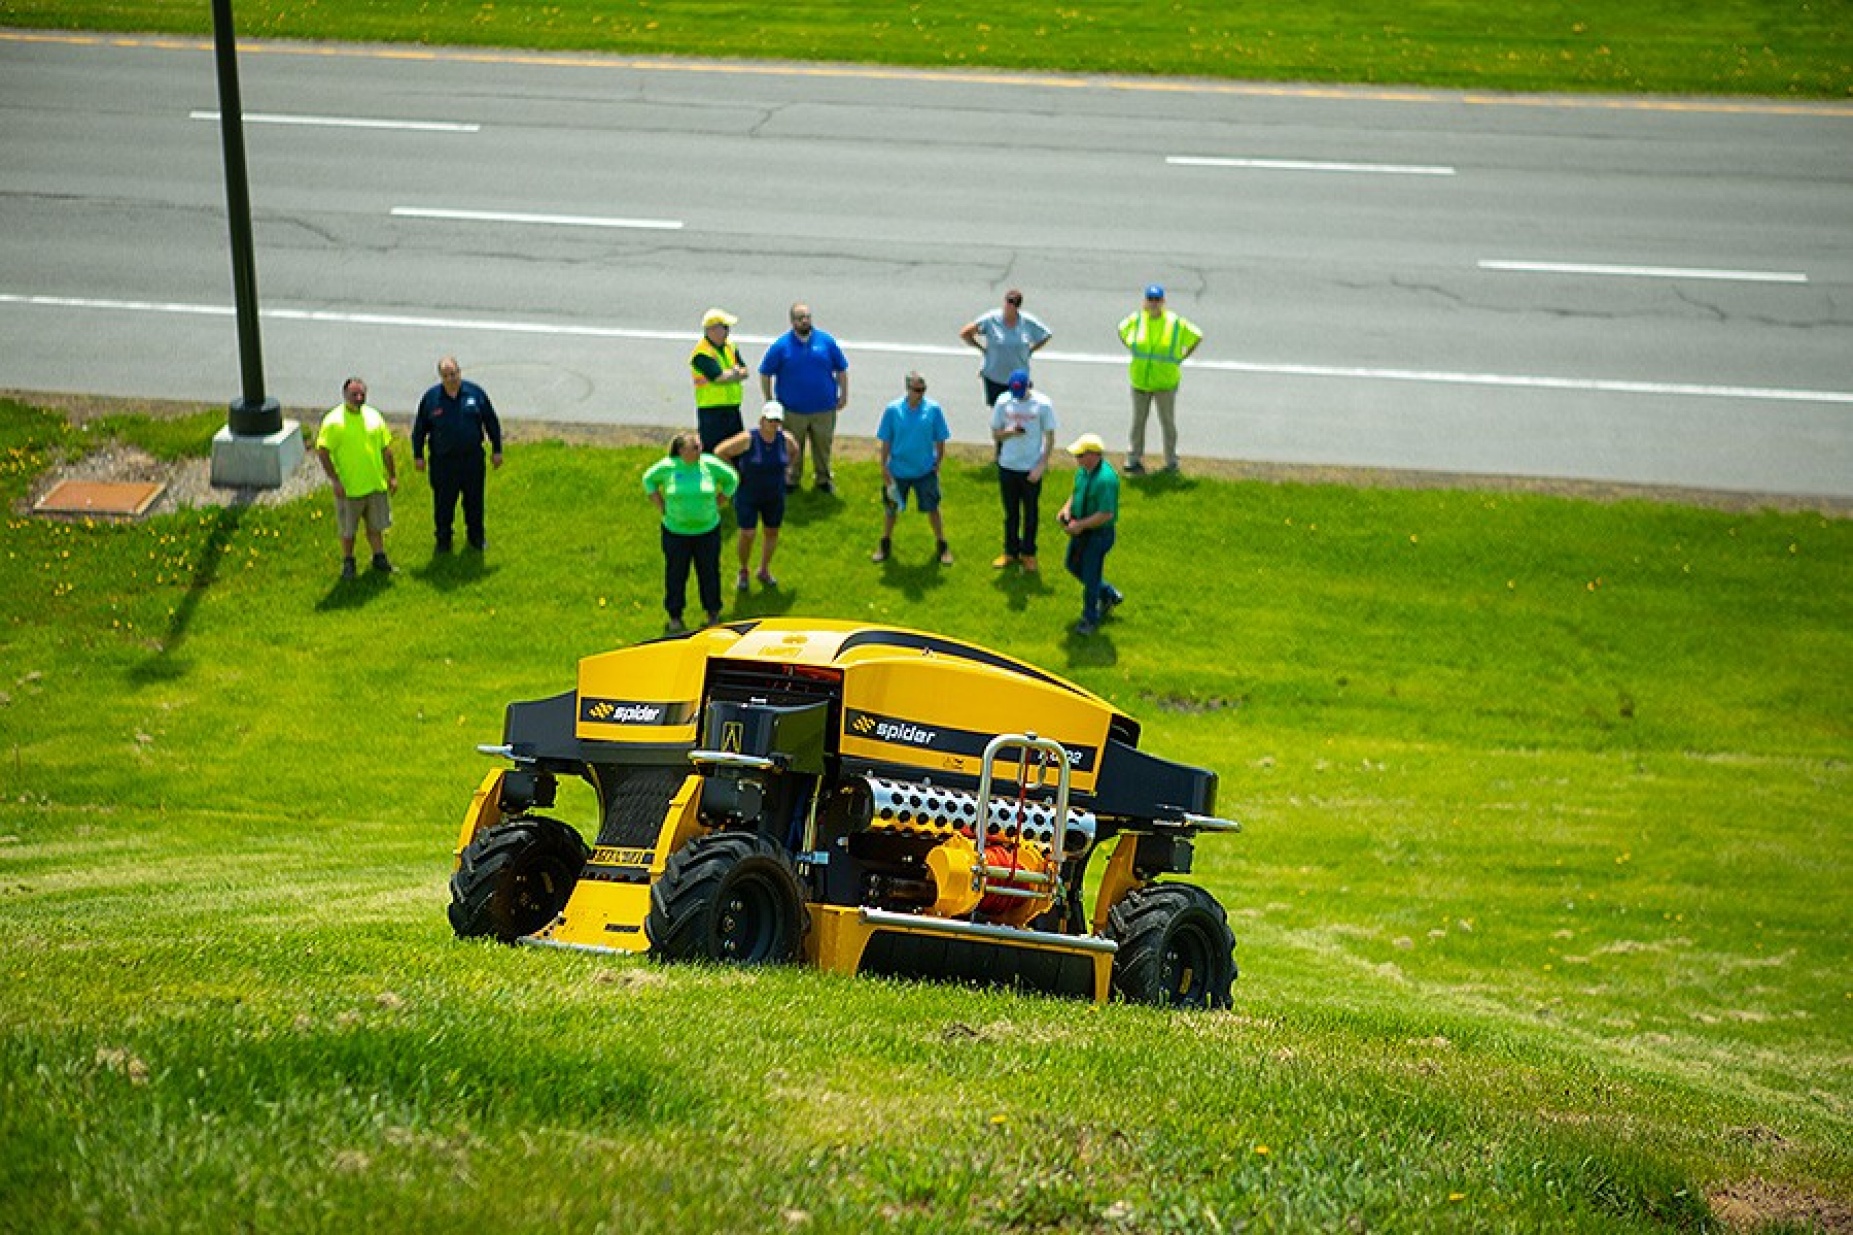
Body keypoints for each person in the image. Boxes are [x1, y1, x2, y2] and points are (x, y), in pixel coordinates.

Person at [641, 432, 739, 634]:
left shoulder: (709, 464)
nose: (699, 450)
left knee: (709, 572)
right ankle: (675, 615)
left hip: (707, 531)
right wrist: (661, 505)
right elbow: (648, 480)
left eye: (699, 446)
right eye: (694, 447)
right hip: (676, 532)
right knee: (676, 573)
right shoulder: (669, 466)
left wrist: (719, 501)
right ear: (681, 451)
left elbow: (732, 479)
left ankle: (712, 612)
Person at [411, 355, 503, 552]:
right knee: (443, 504)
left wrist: (497, 449)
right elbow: (420, 428)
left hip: (472, 460)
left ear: (459, 372)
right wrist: (418, 455)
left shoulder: (475, 394)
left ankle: (476, 538)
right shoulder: (431, 398)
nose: (451, 378)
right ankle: (443, 540)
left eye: (454, 374)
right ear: (440, 377)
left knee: (474, 501)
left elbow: (491, 422)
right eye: (446, 375)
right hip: (443, 462)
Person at [758, 302, 849, 494]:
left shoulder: (826, 342)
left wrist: (843, 394)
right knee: (793, 446)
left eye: (807, 316)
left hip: (824, 408)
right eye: (800, 318)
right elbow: (765, 372)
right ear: (792, 322)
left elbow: (841, 369)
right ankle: (791, 479)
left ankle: (823, 478)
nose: (805, 321)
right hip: (793, 410)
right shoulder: (781, 346)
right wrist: (770, 399)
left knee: (823, 445)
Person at [315, 376, 398, 580]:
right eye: (354, 394)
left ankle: (379, 558)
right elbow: (323, 451)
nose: (359, 397)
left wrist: (392, 476)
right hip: (349, 488)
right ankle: (348, 563)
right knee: (348, 531)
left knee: (376, 526)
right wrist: (335, 480)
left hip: (374, 484)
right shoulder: (334, 421)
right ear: (345, 395)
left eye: (362, 394)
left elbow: (385, 449)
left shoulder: (374, 416)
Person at [1117, 284, 1202, 475]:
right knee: (1138, 421)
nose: (1153, 303)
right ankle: (1133, 458)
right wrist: (1131, 346)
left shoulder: (1174, 323)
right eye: (1150, 299)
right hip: (1140, 380)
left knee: (1167, 422)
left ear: (1163, 302)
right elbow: (1121, 330)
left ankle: (1171, 461)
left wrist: (1182, 357)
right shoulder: (1137, 319)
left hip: (1165, 382)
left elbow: (1197, 335)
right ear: (1145, 301)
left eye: (1157, 300)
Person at [872, 372, 953, 566]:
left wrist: (938, 461)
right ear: (908, 389)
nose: (921, 394)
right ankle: (885, 544)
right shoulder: (893, 410)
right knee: (891, 510)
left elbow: (941, 437)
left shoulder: (933, 409)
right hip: (898, 470)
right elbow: (886, 440)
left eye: (923, 390)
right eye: (917, 390)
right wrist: (884, 466)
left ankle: (942, 545)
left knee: (933, 509)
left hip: (924, 471)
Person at [715, 402, 797, 590]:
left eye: (777, 421)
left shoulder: (785, 440)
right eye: (770, 420)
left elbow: (794, 452)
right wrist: (735, 472)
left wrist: (786, 469)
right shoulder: (748, 438)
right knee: (748, 532)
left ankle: (764, 569)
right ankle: (743, 569)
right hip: (748, 494)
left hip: (774, 495)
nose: (773, 425)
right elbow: (721, 451)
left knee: (772, 532)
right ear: (762, 420)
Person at [989, 368, 1057, 572]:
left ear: (1029, 385)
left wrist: (1041, 465)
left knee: (1030, 513)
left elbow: (1050, 438)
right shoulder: (1003, 402)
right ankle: (1010, 551)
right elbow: (996, 434)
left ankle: (1028, 553)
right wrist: (1009, 432)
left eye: (1021, 392)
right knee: (1011, 513)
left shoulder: (1042, 404)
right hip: (1008, 465)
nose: (1017, 397)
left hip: (1030, 467)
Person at [1057, 432, 1125, 636]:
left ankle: (1089, 619)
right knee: (1072, 565)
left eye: (1080, 455)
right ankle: (1108, 594)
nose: (1076, 459)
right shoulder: (1084, 471)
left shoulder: (1105, 480)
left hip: (1098, 534)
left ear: (1094, 455)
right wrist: (1066, 509)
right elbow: (1076, 492)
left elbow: (1106, 514)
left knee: (1091, 575)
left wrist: (1081, 525)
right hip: (1083, 530)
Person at [959, 288, 1052, 411]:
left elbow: (1045, 335)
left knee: (1020, 412)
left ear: (1017, 306)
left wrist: (1031, 350)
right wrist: (981, 348)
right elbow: (966, 333)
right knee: (999, 413)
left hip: (1018, 379)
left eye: (1013, 303)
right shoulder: (991, 319)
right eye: (1008, 301)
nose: (1009, 306)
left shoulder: (1026, 322)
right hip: (994, 377)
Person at [690, 307, 751, 453]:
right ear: (712, 330)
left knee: (737, 450)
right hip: (712, 411)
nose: (728, 331)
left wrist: (733, 374)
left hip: (732, 408)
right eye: (725, 327)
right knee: (713, 452)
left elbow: (745, 371)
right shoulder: (702, 352)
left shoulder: (730, 346)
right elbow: (718, 377)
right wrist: (735, 373)